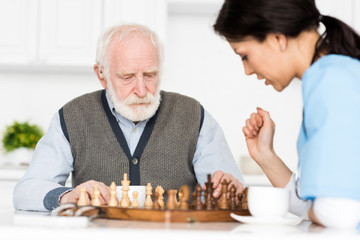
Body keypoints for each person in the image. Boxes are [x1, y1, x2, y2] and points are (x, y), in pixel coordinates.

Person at [13, 24, 244, 212]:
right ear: (101, 74)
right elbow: (26, 191)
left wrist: (231, 190)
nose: (142, 90)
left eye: (150, 75)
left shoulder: (194, 116)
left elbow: (232, 191)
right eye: (128, 77)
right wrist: (67, 196)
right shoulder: (72, 117)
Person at [213, 0, 360, 229]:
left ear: (277, 39)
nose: (247, 70)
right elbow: (317, 205)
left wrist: (321, 209)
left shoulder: (332, 83)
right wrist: (265, 155)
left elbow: (340, 213)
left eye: (244, 55)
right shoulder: (332, 76)